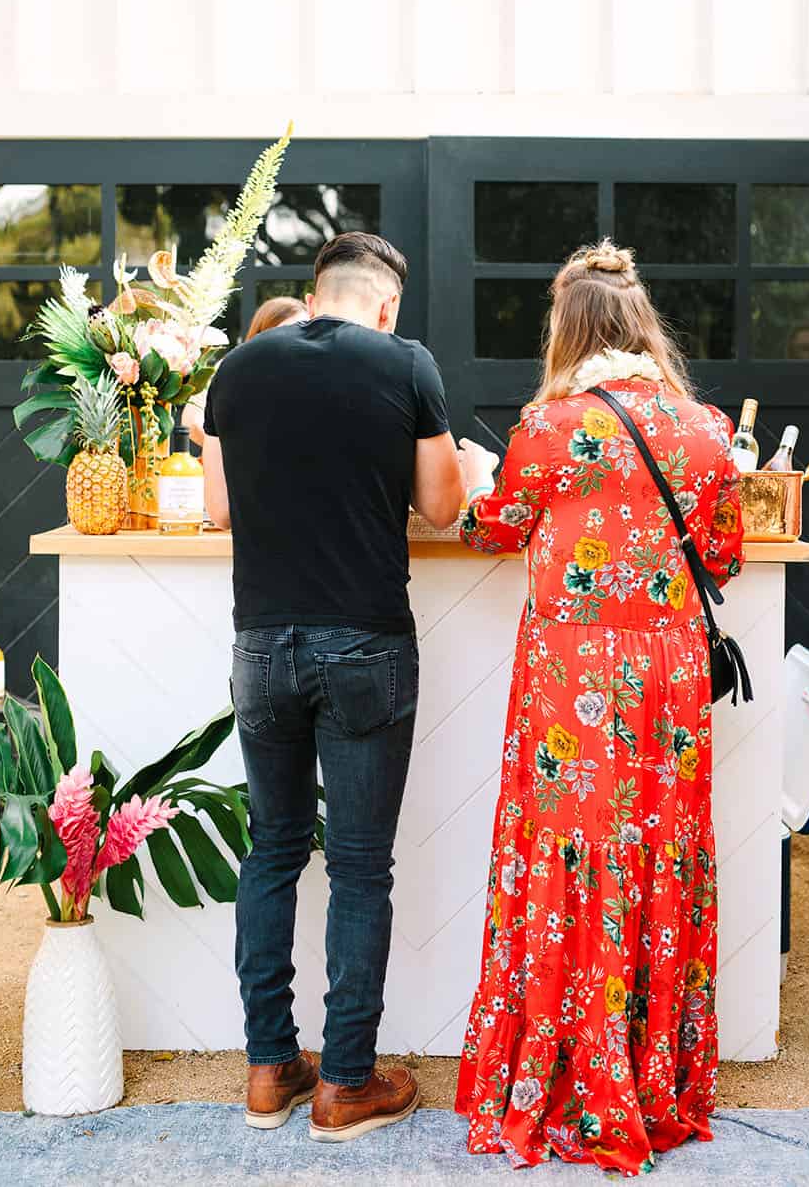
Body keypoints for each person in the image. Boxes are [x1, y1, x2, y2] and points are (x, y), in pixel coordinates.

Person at [455, 240, 745, 1174]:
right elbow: (727, 554)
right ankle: (653, 1075)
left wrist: (467, 484)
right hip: (665, 679)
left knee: (570, 849)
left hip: (569, 676)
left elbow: (494, 527)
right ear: (640, 323)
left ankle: (565, 1068)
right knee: (654, 849)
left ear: (567, 330)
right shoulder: (701, 428)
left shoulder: (549, 427)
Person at [202, 232, 463, 1143]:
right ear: (385, 304)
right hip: (363, 643)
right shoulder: (405, 363)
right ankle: (346, 1083)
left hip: (260, 644)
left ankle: (270, 1068)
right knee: (358, 866)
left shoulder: (238, 369)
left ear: (314, 294)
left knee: (273, 848)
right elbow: (444, 506)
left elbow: (221, 510)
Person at [183, 296, 306, 447]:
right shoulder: (233, 368)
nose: (295, 338)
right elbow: (192, 421)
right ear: (262, 333)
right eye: (285, 332)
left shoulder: (312, 372)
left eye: (303, 330)